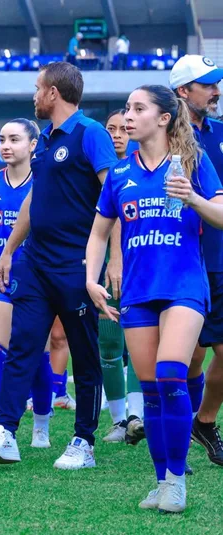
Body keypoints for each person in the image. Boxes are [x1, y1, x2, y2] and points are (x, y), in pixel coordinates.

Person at [0, 62, 119, 469]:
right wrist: (8, 251)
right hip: (35, 264)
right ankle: (5, 432)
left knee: (84, 355)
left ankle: (83, 441)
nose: (34, 96)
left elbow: (114, 197)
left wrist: (114, 259)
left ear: (53, 93)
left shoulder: (90, 133)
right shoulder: (46, 141)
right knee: (22, 345)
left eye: (38, 88)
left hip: (76, 265)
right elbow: (33, 201)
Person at [87, 84, 223, 513]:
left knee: (170, 376)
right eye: (127, 108)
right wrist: (91, 279)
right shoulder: (120, 173)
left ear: (164, 117)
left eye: (138, 108)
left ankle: (177, 483)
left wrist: (193, 198)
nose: (128, 116)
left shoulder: (194, 163)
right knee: (149, 393)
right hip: (138, 291)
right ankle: (162, 481)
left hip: (184, 286)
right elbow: (99, 233)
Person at [0, 119, 54, 453]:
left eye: (14, 139)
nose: (5, 145)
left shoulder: (46, 181)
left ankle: (41, 426)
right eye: (2, 139)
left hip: (37, 279)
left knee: (37, 356)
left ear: (33, 144)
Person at [170, 54, 223, 466]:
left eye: (216, 84)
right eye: (208, 85)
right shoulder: (161, 135)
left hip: (218, 258)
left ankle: (202, 422)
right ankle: (177, 434)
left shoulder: (220, 133)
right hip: (176, 259)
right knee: (188, 358)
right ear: (183, 92)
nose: (216, 92)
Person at [100, 109, 145, 444]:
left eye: (122, 129)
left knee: (140, 343)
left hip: (139, 266)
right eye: (110, 129)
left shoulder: (141, 169)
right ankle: (118, 420)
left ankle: (137, 417)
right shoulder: (95, 173)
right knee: (109, 342)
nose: (116, 135)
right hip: (101, 268)